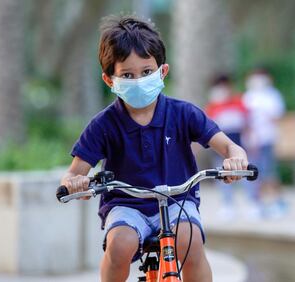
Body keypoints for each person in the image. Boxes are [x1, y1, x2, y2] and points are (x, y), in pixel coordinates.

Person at [60, 15, 249, 282]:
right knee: (119, 245)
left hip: (177, 200)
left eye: (147, 72)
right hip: (127, 205)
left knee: (190, 241)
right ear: (109, 79)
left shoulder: (183, 114)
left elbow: (230, 147)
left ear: (163, 71)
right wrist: (76, 183)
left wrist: (235, 160)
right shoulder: (103, 125)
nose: (138, 80)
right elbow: (72, 174)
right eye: (127, 75)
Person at [242, 67, 286, 219]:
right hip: (252, 142)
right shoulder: (249, 96)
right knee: (253, 174)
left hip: (267, 139)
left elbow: (277, 116)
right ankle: (257, 203)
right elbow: (244, 120)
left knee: (269, 171)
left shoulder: (273, 96)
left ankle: (276, 202)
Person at [205, 74, 248, 219]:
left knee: (245, 173)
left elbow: (247, 123)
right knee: (222, 174)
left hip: (238, 142)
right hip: (219, 145)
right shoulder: (213, 105)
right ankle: (227, 205)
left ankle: (251, 203)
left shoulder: (238, 102)